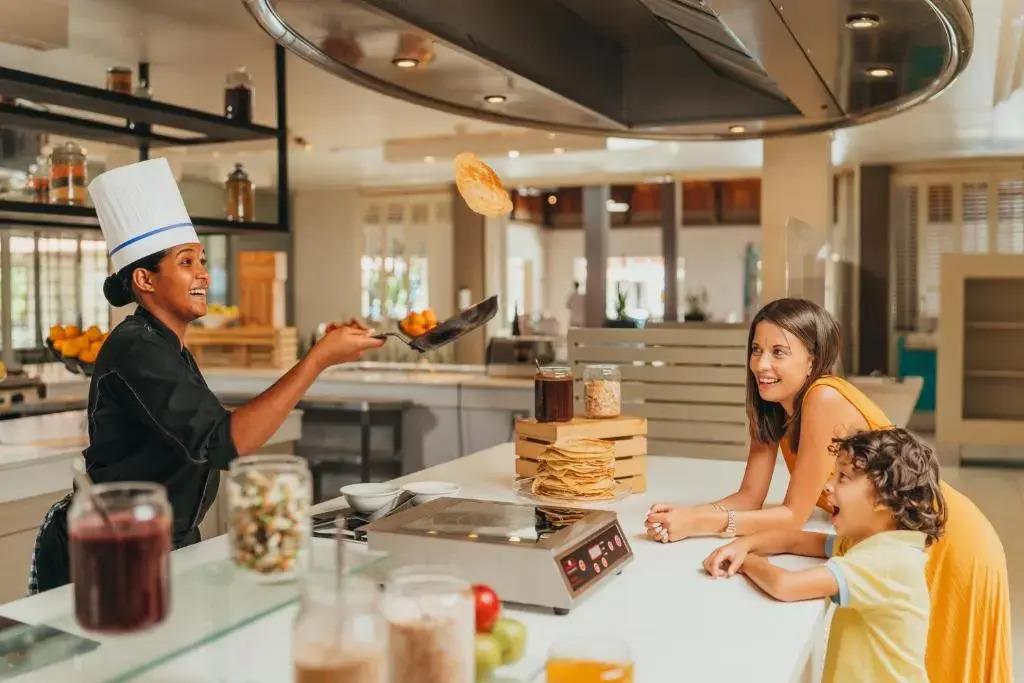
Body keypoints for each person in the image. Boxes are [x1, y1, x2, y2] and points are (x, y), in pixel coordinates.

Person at [29, 158, 384, 593]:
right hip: (112, 550)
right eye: (186, 262)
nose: (202, 272)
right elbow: (225, 444)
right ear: (145, 279)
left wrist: (320, 354)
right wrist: (317, 360)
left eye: (201, 259)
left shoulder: (164, 344)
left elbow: (211, 431)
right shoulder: (137, 347)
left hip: (159, 543)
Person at [643, 298, 1012, 683]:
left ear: (813, 359)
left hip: (946, 540)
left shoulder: (823, 397)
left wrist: (703, 525)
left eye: (778, 352)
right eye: (756, 350)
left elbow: (793, 515)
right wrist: (689, 516)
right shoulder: (772, 403)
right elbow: (749, 496)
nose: (761, 365)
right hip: (888, 537)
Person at [704, 428, 946, 683]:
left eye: (843, 477)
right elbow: (794, 540)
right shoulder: (871, 541)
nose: (827, 486)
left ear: (884, 498)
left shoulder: (886, 561)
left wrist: (746, 562)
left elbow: (786, 586)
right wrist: (744, 545)